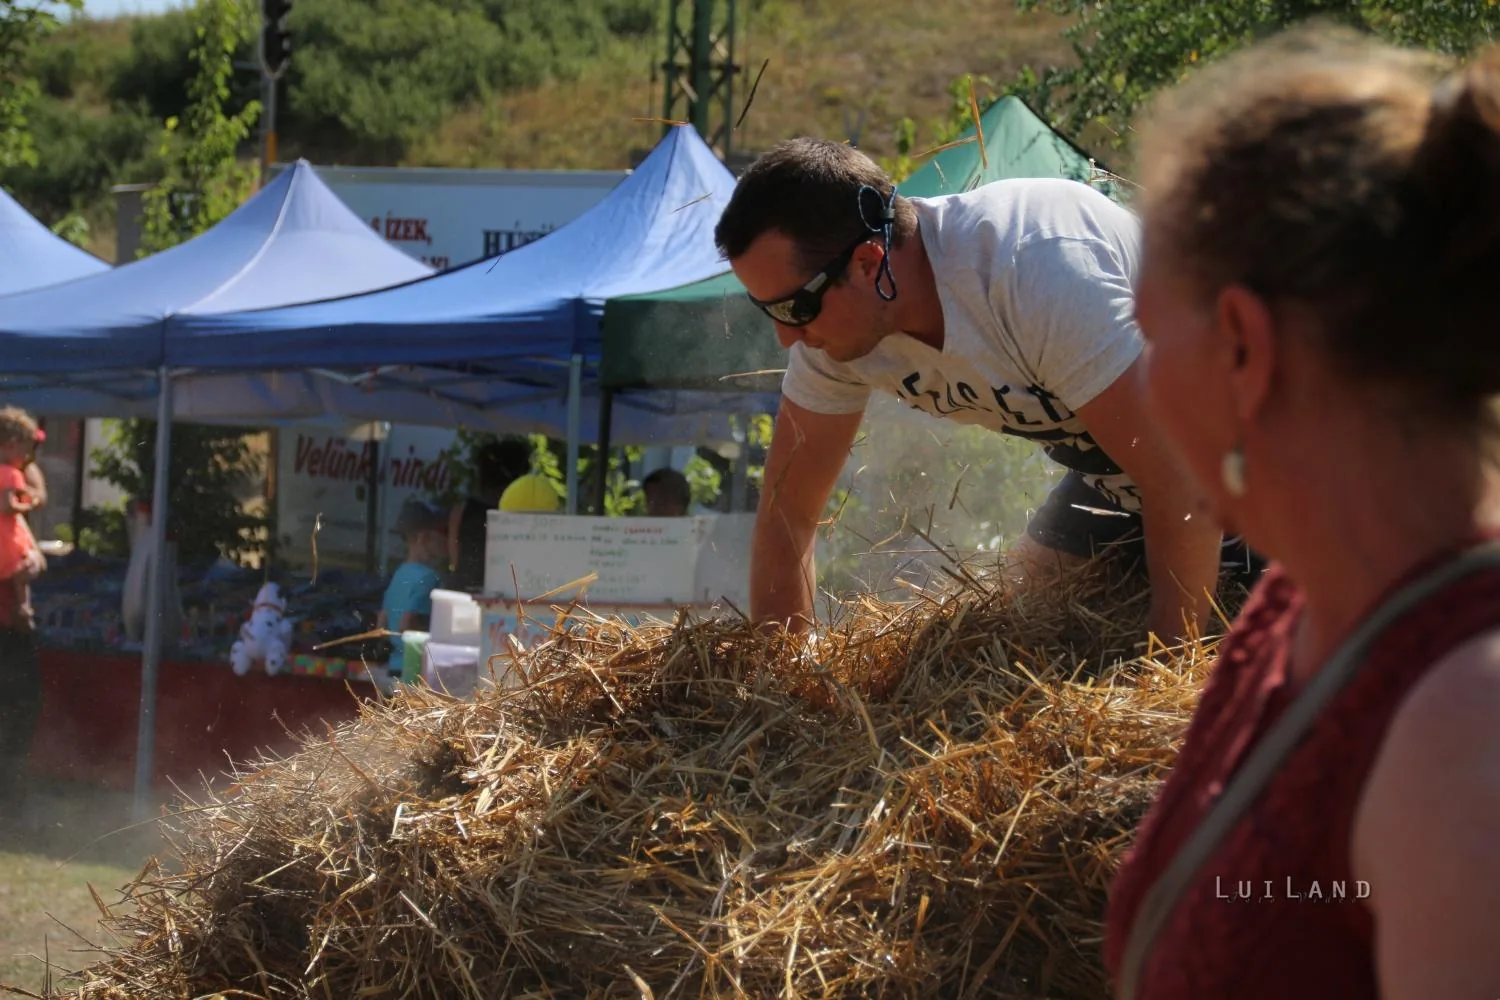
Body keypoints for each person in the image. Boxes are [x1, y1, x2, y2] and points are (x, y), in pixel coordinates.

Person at [1103, 26, 1500, 999]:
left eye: (1148, 332)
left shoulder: (1472, 724)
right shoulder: (1291, 608)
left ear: (1243, 348)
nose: (1141, 383)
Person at [716, 138, 1256, 643]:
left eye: (793, 307)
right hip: (1123, 475)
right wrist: (783, 692)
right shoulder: (829, 339)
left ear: (867, 264)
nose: (786, 335)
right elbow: (789, 514)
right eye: (766, 311)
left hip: (1254, 460)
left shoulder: (1035, 271)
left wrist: (1162, 671)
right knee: (1012, 623)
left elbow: (1183, 474)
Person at [0, 407, 47, 809]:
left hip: (10, 623)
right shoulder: (8, 477)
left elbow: (28, 545)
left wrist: (32, 558)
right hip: (7, 621)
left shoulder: (13, 473)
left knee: (21, 702)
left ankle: (11, 800)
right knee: (17, 702)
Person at [448, 437, 531, 591]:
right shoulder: (523, 513)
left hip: (466, 590)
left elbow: (455, 560)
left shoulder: (462, 509)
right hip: (508, 592)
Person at [378, 499, 447, 682]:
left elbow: (382, 624)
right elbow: (406, 624)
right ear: (424, 537)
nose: (447, 541)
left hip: (393, 669)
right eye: (442, 534)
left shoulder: (398, 575)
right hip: (416, 672)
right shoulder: (429, 578)